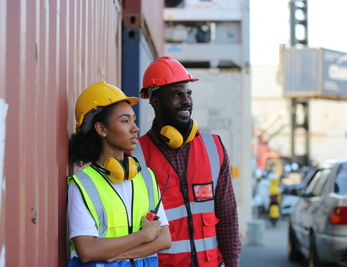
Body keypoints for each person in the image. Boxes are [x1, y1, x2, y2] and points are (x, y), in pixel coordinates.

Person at [136, 57, 241, 267]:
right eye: (176, 94)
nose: (186, 101)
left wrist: (232, 262)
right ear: (155, 101)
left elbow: (228, 214)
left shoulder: (214, 148)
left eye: (188, 93)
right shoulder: (136, 156)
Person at [67, 81, 171, 266]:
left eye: (133, 120)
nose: (135, 128)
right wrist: (144, 235)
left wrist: (118, 255)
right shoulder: (83, 185)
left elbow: (164, 239)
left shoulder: (146, 177)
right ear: (101, 129)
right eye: (125, 121)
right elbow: (87, 250)